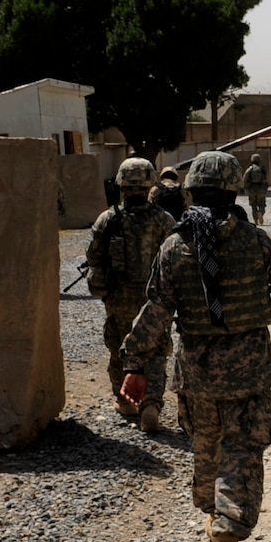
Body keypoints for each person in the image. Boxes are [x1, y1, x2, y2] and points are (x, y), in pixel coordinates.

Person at [118, 151, 271, 542]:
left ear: (191, 192)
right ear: (233, 191)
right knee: (242, 451)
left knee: (206, 448)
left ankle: (215, 522)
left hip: (195, 374)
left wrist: (134, 364)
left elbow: (155, 310)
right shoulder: (254, 240)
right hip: (247, 374)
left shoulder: (175, 246)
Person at [84, 157, 176, 433]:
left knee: (119, 346)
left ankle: (125, 402)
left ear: (121, 185)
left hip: (118, 296)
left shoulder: (108, 219)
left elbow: (93, 256)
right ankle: (151, 403)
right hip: (155, 299)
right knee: (156, 350)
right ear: (150, 183)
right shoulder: (163, 219)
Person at [243, 152, 271, 225]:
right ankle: (260, 212)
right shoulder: (262, 169)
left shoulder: (250, 169)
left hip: (252, 189)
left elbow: (244, 180)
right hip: (261, 189)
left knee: (253, 205)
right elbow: (266, 180)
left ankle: (255, 221)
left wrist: (246, 187)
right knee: (262, 204)